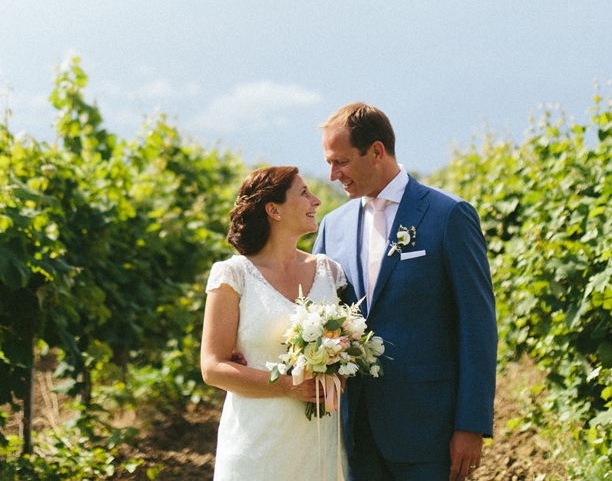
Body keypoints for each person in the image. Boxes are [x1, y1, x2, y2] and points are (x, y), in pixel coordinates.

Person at [313, 102, 497, 481]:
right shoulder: (334, 226)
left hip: (430, 428)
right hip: (354, 428)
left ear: (377, 151)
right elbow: (308, 308)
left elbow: (477, 326)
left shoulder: (449, 215)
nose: (333, 175)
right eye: (330, 163)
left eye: (341, 162)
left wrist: (471, 425)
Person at [201, 165, 351, 480]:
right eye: (304, 193)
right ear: (274, 210)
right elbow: (212, 368)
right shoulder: (233, 275)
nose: (316, 201)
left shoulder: (330, 272)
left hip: (318, 443)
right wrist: (287, 386)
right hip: (256, 444)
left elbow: (347, 346)